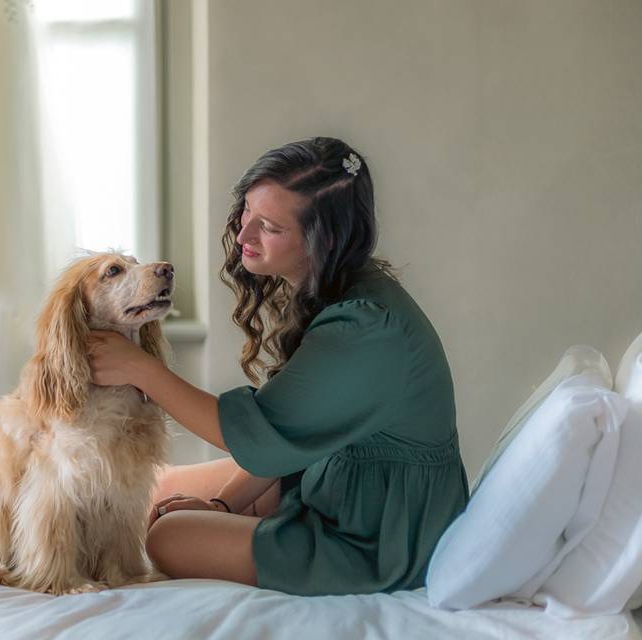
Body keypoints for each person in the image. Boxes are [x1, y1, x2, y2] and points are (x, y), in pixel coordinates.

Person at [85, 137, 469, 596]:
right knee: (156, 487)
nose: (244, 235)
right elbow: (290, 437)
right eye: (247, 211)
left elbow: (261, 435)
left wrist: (142, 369)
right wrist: (223, 506)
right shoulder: (338, 290)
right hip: (331, 480)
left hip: (377, 538)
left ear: (322, 238)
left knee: (167, 535)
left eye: (268, 226)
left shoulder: (365, 328)